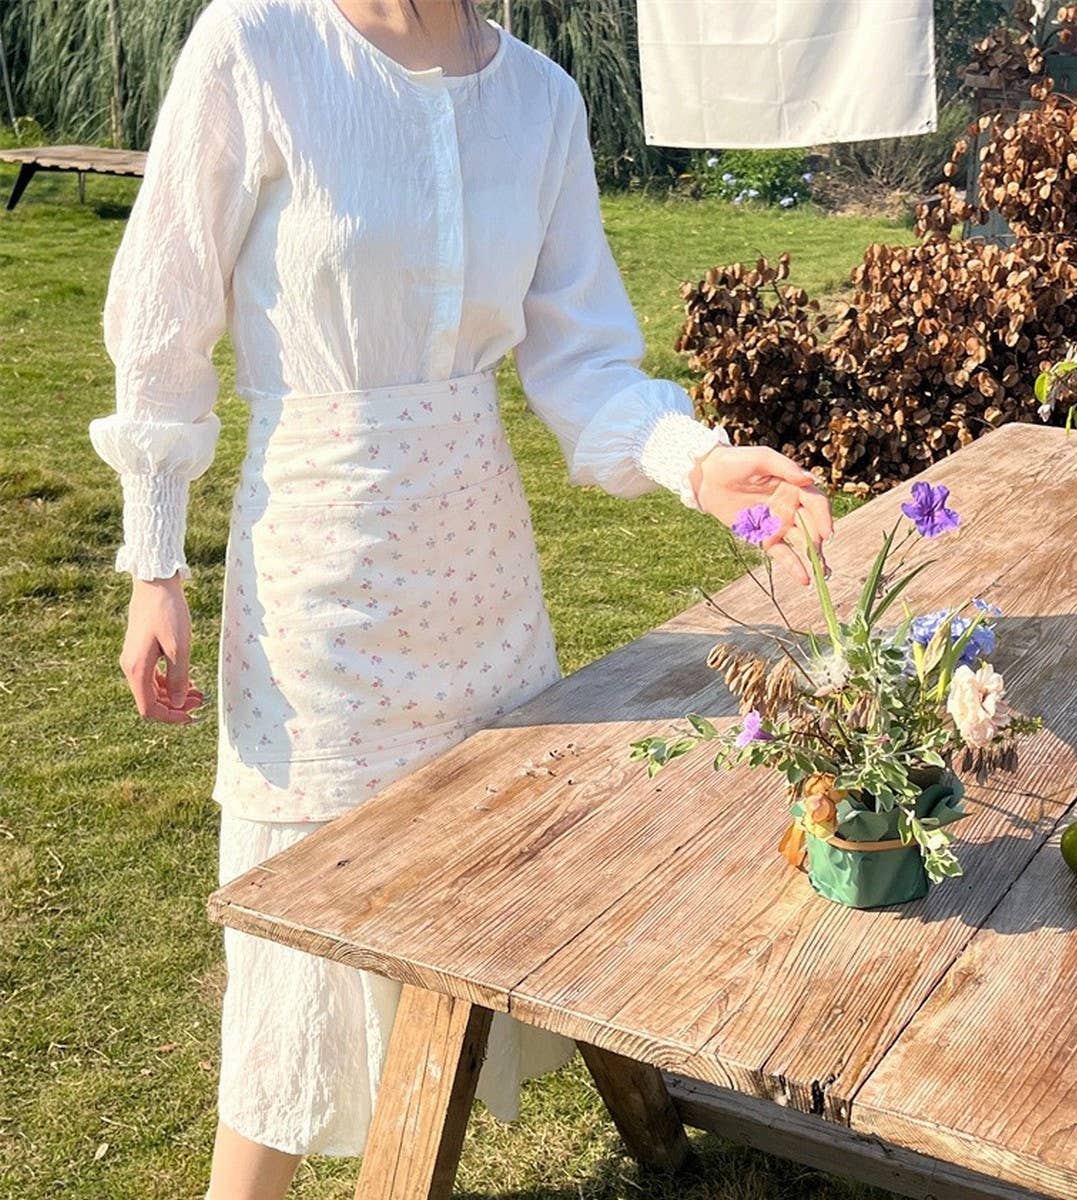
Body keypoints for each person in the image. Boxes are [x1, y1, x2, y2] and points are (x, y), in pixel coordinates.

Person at [87, 0, 834, 1195]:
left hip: (479, 560)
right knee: (300, 932)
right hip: (316, 566)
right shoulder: (259, 45)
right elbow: (165, 317)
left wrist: (698, 462)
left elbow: (580, 353)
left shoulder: (538, 97)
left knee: (493, 882)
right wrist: (155, 563)